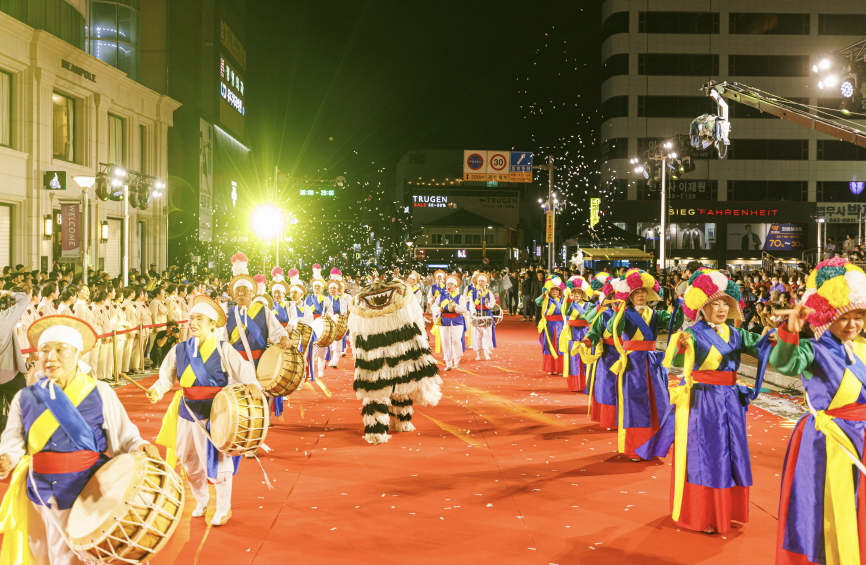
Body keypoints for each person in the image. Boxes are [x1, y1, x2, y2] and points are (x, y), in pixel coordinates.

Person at [0, 314, 158, 563]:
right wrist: (8, 457)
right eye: (44, 351)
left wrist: (140, 446)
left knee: (75, 556)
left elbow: (124, 435)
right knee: (44, 552)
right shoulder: (26, 397)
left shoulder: (100, 391)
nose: (50, 358)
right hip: (39, 490)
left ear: (77, 354)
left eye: (60, 350)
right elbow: (14, 440)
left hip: (88, 485)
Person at [637, 269, 773, 534]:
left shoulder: (737, 334)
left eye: (726, 304)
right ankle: (703, 515)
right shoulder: (693, 334)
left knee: (731, 452)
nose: (721, 309)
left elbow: (760, 346)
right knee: (708, 455)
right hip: (704, 401)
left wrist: (777, 340)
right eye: (715, 303)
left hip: (731, 401)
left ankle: (727, 511)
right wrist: (680, 345)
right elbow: (674, 360)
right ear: (701, 306)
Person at [769, 258, 866, 565]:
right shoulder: (813, 349)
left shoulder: (862, 348)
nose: (852, 325)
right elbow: (784, 363)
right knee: (826, 505)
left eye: (859, 317)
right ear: (827, 317)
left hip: (861, 437)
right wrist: (790, 332)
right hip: (829, 440)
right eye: (844, 317)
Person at [149, 295, 263, 526]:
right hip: (187, 412)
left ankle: (223, 508)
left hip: (216, 414)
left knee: (219, 462)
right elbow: (166, 377)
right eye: (191, 318)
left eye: (199, 319)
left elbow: (244, 369)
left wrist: (252, 384)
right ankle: (201, 500)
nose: (193, 323)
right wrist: (156, 390)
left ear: (212, 324)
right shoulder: (179, 349)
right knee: (189, 460)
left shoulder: (223, 349)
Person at [603, 269, 682, 461]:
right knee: (636, 404)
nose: (640, 296)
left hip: (653, 362)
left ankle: (655, 445)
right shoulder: (624, 313)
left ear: (649, 294)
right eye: (636, 292)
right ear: (629, 295)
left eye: (643, 292)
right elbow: (612, 329)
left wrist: (679, 307)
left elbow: (673, 324)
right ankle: (636, 448)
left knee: (659, 403)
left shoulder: (655, 313)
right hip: (633, 363)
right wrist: (618, 312)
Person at [0, 288, 31, 432]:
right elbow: (24, 300)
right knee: (22, 409)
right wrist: (8, 293)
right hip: (9, 372)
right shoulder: (4, 318)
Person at [559, 276, 593, 392]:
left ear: (583, 293)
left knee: (585, 359)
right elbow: (565, 311)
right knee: (574, 359)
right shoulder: (568, 304)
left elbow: (591, 316)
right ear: (571, 294)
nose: (577, 294)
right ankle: (575, 385)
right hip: (573, 334)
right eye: (574, 292)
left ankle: (586, 385)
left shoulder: (589, 305)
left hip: (585, 333)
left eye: (579, 292)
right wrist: (568, 300)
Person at [431, 274, 468, 370]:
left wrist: (455, 306)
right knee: (446, 342)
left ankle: (456, 361)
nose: (449, 286)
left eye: (451, 284)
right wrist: (439, 309)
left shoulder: (460, 297)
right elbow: (434, 307)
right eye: (448, 284)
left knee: (456, 341)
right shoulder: (441, 296)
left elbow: (463, 309)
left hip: (457, 321)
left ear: (456, 286)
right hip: (445, 321)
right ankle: (448, 363)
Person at [536, 277, 566, 375]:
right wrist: (544, 294)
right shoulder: (546, 299)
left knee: (560, 346)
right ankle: (551, 368)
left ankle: (560, 368)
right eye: (553, 289)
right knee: (549, 346)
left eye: (557, 289)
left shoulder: (563, 300)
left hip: (561, 326)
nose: (555, 292)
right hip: (549, 325)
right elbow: (537, 301)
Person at [466, 272, 497, 361]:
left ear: (486, 283)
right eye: (479, 281)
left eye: (482, 281)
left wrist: (487, 304)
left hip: (486, 315)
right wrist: (474, 313)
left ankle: (486, 353)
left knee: (487, 334)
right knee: (477, 336)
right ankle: (478, 354)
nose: (480, 283)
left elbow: (492, 305)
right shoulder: (473, 293)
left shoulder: (489, 293)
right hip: (477, 316)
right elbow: (471, 305)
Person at [324, 278, 350, 366]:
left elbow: (343, 309)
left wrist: (344, 313)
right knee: (329, 342)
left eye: (334, 288)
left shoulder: (341, 299)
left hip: (338, 321)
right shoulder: (325, 299)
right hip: (328, 322)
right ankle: (330, 359)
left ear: (337, 289)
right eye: (331, 288)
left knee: (337, 342)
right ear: (328, 290)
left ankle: (335, 362)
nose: (332, 290)